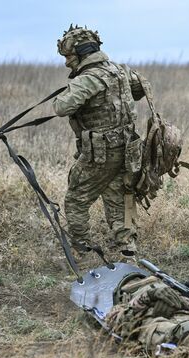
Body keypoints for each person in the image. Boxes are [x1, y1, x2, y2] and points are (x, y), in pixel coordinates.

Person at [52, 25, 149, 260]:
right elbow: (141, 87)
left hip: (100, 153)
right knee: (119, 197)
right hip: (127, 149)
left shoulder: (88, 78)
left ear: (82, 52)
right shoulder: (119, 70)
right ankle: (128, 249)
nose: (67, 63)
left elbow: (61, 107)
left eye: (69, 56)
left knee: (75, 199)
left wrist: (72, 90)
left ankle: (80, 250)